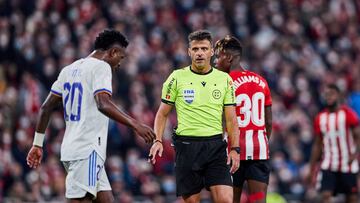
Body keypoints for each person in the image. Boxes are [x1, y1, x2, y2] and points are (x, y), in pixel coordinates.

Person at [26, 29, 156, 203]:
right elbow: (102, 103)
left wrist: (37, 144)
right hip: (87, 149)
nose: (119, 64)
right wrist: (135, 124)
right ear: (113, 52)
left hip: (74, 148)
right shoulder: (102, 67)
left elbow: (45, 107)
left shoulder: (69, 70)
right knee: (81, 200)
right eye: (121, 58)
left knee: (107, 200)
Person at [148, 30, 240, 203]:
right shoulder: (176, 78)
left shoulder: (224, 79)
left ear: (212, 51)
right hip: (187, 147)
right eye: (195, 49)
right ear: (189, 51)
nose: (199, 53)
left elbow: (231, 119)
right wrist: (158, 140)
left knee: (227, 200)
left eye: (204, 48)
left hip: (216, 147)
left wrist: (235, 149)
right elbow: (162, 113)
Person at [214, 36, 272, 203]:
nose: (216, 62)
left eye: (219, 57)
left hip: (233, 152)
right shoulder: (261, 81)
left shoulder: (224, 83)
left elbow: (221, 120)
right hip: (259, 150)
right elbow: (268, 122)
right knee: (258, 200)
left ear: (229, 58)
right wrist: (260, 141)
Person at [307, 84, 360, 203]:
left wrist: (355, 154)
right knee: (325, 195)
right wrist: (311, 169)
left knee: (351, 198)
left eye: (331, 94)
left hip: (348, 164)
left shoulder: (348, 114)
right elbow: (317, 144)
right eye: (326, 95)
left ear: (338, 96)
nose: (328, 97)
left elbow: (358, 136)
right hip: (329, 163)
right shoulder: (320, 118)